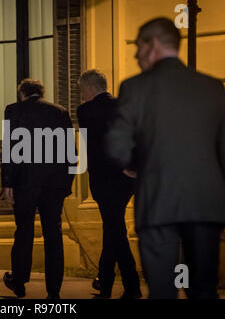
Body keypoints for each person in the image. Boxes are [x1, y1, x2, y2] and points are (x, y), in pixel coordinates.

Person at [104, 17, 225, 299]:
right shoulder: (212, 87)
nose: (135, 55)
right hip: (206, 206)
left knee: (162, 291)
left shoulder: (134, 88)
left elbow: (115, 147)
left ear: (153, 45)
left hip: (157, 203)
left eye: (139, 46)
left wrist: (137, 165)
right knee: (204, 289)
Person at [2, 79, 76, 299]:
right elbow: (70, 151)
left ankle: (19, 281)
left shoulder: (14, 110)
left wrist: (7, 181)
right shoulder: (60, 112)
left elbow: (11, 146)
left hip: (25, 182)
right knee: (53, 235)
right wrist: (66, 183)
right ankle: (54, 290)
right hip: (54, 184)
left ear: (22, 93)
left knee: (23, 231)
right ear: (41, 93)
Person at [77, 70, 141, 299]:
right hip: (127, 179)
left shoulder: (85, 111)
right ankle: (104, 281)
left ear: (91, 88)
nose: (81, 95)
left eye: (82, 90)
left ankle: (132, 286)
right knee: (113, 227)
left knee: (116, 230)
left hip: (104, 180)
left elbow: (94, 148)